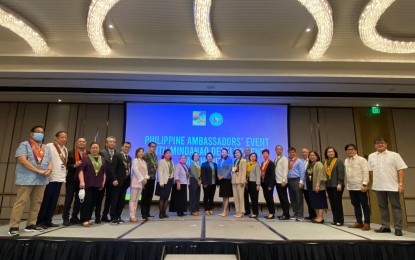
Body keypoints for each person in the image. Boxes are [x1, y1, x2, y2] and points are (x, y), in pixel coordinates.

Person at [8, 125, 52, 236]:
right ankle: (14, 226)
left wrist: (49, 170)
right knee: (21, 202)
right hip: (26, 178)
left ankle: (31, 224)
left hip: (41, 179)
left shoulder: (46, 147)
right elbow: (22, 160)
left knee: (37, 202)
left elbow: (50, 161)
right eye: (38, 132)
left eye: (42, 132)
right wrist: (37, 170)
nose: (40, 134)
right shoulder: (24, 145)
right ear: (31, 133)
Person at [368, 137, 407, 236]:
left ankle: (398, 228)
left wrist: (401, 184)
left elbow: (401, 169)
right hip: (378, 186)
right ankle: (385, 226)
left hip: (392, 186)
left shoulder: (394, 155)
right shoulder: (371, 156)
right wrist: (373, 183)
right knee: (382, 207)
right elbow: (370, 171)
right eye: (377, 143)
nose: (380, 144)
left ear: (386, 144)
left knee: (396, 207)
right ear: (374, 145)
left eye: (382, 143)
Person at [37, 130, 68, 229]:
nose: (64, 139)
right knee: (46, 200)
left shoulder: (65, 149)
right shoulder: (49, 146)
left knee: (54, 201)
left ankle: (48, 220)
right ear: (56, 138)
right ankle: (40, 221)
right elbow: (44, 159)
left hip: (59, 178)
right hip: (50, 177)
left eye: (65, 137)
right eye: (61, 137)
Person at [78, 142, 106, 227]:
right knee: (86, 202)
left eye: (96, 148)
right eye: (93, 148)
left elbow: (104, 172)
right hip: (88, 183)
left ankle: (88, 218)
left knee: (93, 202)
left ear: (99, 149)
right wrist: (82, 181)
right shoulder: (86, 158)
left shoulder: (102, 159)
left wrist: (103, 182)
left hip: (97, 184)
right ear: (90, 149)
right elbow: (81, 170)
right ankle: (84, 219)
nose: (95, 149)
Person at [62, 137, 88, 226]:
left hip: (82, 181)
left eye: (83, 141)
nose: (82, 143)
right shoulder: (70, 153)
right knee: (68, 200)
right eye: (80, 141)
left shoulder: (88, 154)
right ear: (76, 143)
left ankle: (74, 217)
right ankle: (65, 218)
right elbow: (66, 166)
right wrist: (74, 165)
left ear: (85, 143)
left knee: (79, 200)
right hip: (71, 180)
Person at [344, 144, 370, 231]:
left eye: (352, 149)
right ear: (346, 151)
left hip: (360, 186)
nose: (350, 151)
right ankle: (359, 222)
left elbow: (366, 172)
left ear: (356, 150)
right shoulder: (346, 161)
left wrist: (365, 184)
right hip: (351, 187)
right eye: (348, 150)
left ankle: (367, 223)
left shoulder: (361, 160)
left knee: (364, 205)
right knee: (355, 205)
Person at [110, 142, 132, 224]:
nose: (127, 148)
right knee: (115, 199)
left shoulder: (129, 158)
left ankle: (118, 216)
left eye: (129, 147)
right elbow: (113, 169)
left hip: (125, 182)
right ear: (122, 147)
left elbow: (128, 170)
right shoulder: (117, 155)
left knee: (122, 200)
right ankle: (113, 217)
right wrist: (114, 179)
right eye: (125, 147)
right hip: (117, 181)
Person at [97, 136, 117, 222]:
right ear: (106, 143)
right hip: (102, 178)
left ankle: (105, 215)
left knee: (109, 199)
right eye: (110, 142)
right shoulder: (101, 152)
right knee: (99, 198)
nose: (112, 143)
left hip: (112, 180)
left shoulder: (117, 153)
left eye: (113, 142)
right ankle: (97, 216)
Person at [324, 147, 345, 226]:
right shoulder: (325, 162)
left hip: (337, 185)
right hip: (329, 185)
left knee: (338, 203)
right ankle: (335, 219)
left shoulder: (338, 161)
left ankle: (340, 220)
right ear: (326, 153)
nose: (331, 153)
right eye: (329, 152)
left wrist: (340, 183)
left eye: (332, 151)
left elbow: (341, 173)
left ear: (335, 152)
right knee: (332, 203)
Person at [306, 151, 327, 224]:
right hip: (311, 187)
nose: (312, 157)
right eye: (310, 155)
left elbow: (320, 175)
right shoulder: (310, 165)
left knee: (320, 202)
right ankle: (317, 217)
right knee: (314, 202)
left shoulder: (319, 164)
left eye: (313, 155)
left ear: (317, 156)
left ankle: (321, 218)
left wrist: (318, 185)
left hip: (318, 187)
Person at [129, 147, 148, 222]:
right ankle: (132, 216)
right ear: (137, 153)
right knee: (133, 200)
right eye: (140, 152)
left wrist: (146, 178)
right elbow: (136, 170)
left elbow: (146, 171)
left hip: (141, 183)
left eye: (142, 152)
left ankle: (134, 215)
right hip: (136, 182)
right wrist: (142, 178)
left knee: (136, 200)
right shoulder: (135, 160)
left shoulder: (144, 161)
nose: (141, 153)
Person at [287, 147, 305, 221]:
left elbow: (302, 172)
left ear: (295, 153)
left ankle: (300, 214)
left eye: (293, 152)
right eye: (290, 152)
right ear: (288, 153)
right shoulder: (288, 161)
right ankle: (295, 213)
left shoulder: (299, 161)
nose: (292, 153)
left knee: (298, 197)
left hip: (297, 180)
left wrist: (301, 181)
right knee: (292, 197)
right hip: (290, 180)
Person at [155, 149, 174, 219]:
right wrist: (161, 182)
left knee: (167, 198)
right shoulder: (161, 161)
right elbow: (159, 172)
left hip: (169, 182)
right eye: (167, 153)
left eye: (169, 153)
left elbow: (172, 171)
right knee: (162, 198)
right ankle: (160, 213)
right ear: (164, 154)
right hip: (163, 182)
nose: (168, 154)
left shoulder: (171, 161)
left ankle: (164, 212)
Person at [141, 142, 158, 220]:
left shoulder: (155, 155)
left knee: (149, 196)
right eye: (152, 146)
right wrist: (144, 177)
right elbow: (143, 166)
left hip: (153, 178)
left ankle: (147, 213)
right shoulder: (146, 155)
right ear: (148, 147)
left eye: (155, 147)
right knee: (145, 196)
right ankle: (143, 213)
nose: (153, 148)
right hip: (146, 178)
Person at [274, 145, 289, 220]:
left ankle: (286, 215)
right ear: (275, 151)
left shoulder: (284, 159)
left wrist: (284, 180)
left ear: (282, 150)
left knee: (284, 198)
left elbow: (285, 170)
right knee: (281, 198)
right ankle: (284, 213)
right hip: (277, 181)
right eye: (277, 149)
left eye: (280, 149)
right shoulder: (276, 159)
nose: (278, 150)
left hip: (282, 182)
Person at [300, 148, 316, 220]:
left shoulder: (311, 162)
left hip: (311, 184)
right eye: (303, 152)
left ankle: (314, 215)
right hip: (303, 185)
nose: (304, 153)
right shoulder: (300, 161)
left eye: (305, 152)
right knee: (308, 201)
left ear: (308, 153)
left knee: (312, 200)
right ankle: (311, 215)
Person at [260, 149, 276, 219]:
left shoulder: (271, 163)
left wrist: (271, 185)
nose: (265, 155)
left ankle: (272, 213)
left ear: (268, 154)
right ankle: (270, 212)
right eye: (263, 153)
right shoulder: (262, 163)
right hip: (264, 183)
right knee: (266, 198)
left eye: (266, 153)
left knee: (270, 198)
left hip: (269, 184)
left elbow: (273, 175)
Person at [217, 148, 233, 217]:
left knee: (226, 196)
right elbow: (218, 168)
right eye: (222, 152)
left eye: (225, 152)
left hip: (227, 179)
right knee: (223, 196)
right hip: (221, 180)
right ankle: (225, 211)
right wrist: (218, 175)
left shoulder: (230, 160)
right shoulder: (220, 160)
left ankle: (224, 211)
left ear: (227, 153)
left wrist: (223, 176)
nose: (223, 153)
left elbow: (229, 170)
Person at [231, 149, 247, 218]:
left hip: (240, 181)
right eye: (235, 153)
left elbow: (244, 171)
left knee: (241, 197)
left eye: (238, 152)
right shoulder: (235, 161)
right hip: (234, 181)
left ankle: (242, 211)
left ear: (241, 153)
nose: (237, 154)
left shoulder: (243, 160)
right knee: (236, 197)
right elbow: (233, 170)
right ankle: (237, 211)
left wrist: (243, 180)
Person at [247, 152, 261, 218]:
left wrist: (258, 184)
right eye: (251, 156)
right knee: (252, 198)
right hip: (249, 183)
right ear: (249, 157)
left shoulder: (256, 165)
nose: (252, 157)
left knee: (255, 199)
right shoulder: (248, 164)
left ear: (256, 158)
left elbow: (258, 175)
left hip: (254, 183)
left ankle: (255, 213)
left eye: (254, 156)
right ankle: (253, 212)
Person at [243, 147, 252, 216]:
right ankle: (247, 210)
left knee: (253, 196)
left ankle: (254, 211)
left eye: (248, 150)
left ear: (250, 151)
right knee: (245, 196)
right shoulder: (242, 159)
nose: (247, 151)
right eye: (245, 150)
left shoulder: (253, 158)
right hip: (244, 180)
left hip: (252, 180)